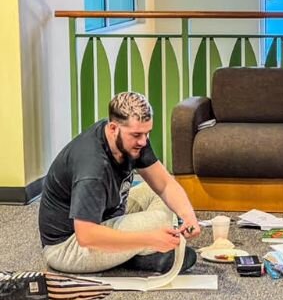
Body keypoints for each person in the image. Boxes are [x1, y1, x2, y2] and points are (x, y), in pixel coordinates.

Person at [38, 91, 201, 274]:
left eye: (147, 133)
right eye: (137, 135)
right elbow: (86, 235)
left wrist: (188, 216)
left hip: (105, 216)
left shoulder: (127, 139)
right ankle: (135, 255)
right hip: (69, 247)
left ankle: (127, 252)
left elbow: (164, 184)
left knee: (157, 193)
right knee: (160, 221)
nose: (143, 142)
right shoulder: (93, 168)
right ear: (113, 128)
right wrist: (149, 239)